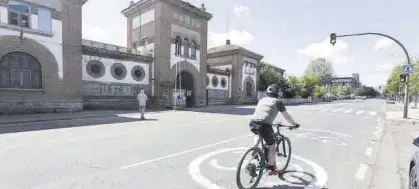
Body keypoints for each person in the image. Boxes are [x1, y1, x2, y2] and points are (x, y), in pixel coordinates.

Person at [249, 84, 300, 175]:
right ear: (277, 93)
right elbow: (287, 116)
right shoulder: (278, 102)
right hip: (265, 126)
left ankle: (255, 150)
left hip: (253, 123)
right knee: (272, 146)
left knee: (259, 134)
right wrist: (294, 124)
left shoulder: (262, 100)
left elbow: (264, 112)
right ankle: (271, 168)